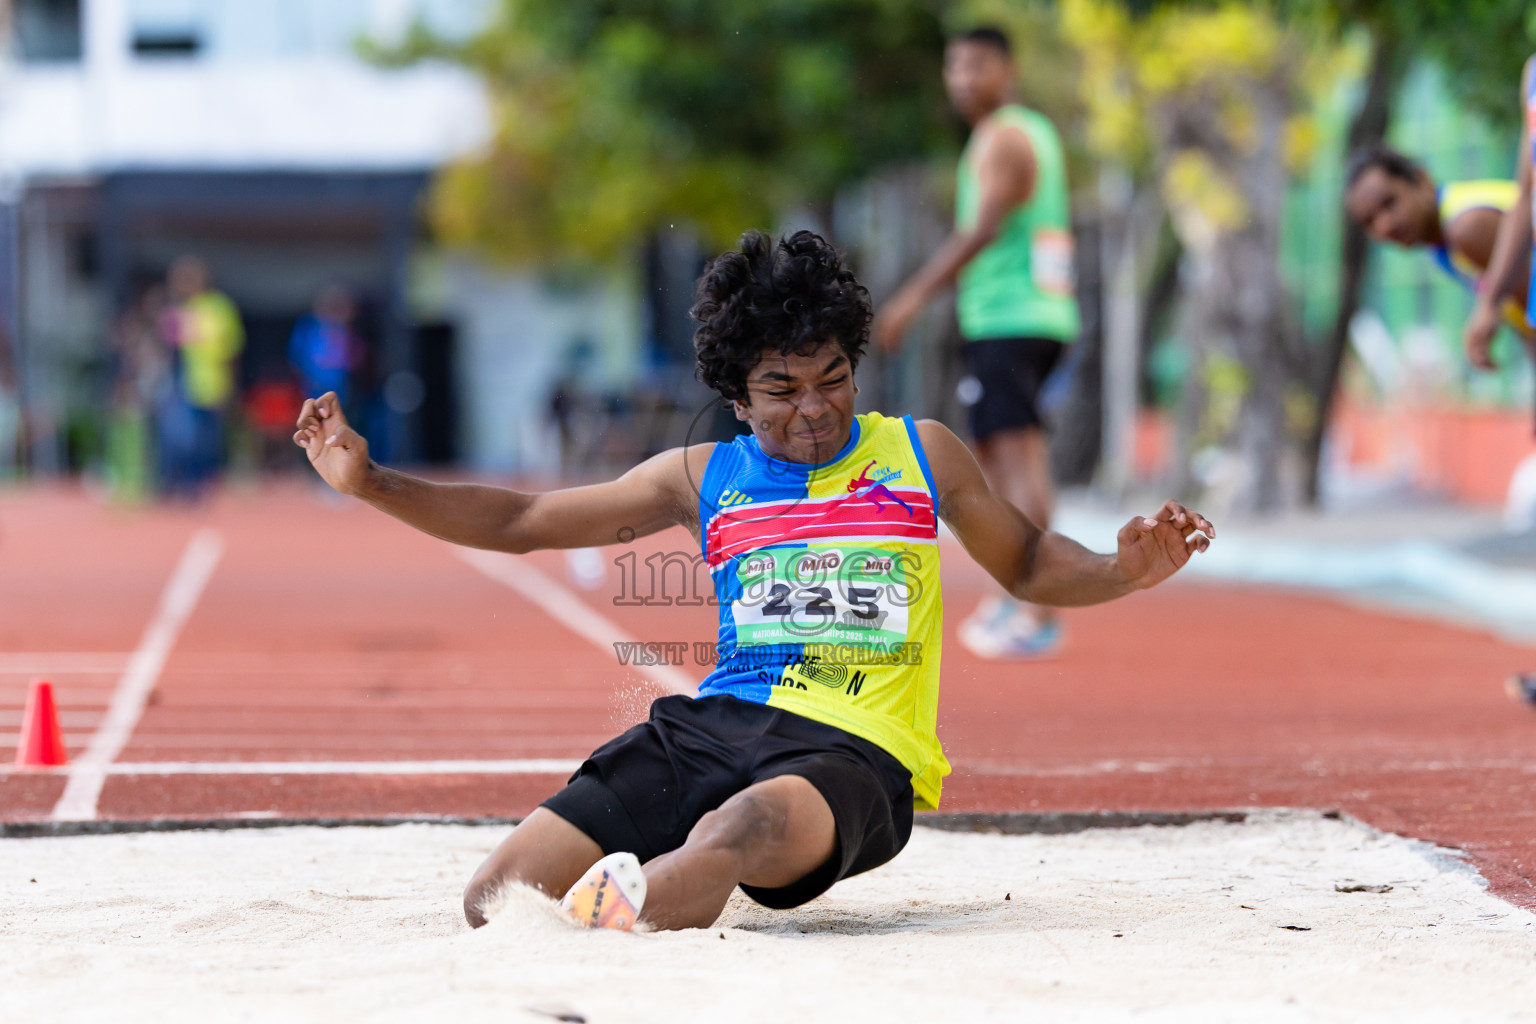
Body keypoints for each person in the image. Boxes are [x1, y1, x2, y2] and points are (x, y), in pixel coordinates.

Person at [293, 230, 1213, 933]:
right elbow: (522, 521)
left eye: (833, 379)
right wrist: (373, 483)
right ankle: (610, 911)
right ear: (738, 398)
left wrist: (1121, 570)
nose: (814, 409)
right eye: (782, 390)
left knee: (731, 837)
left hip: (854, 752)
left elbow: (1027, 561)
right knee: (493, 900)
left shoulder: (922, 453)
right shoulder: (701, 477)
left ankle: (612, 924)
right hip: (712, 726)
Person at [873, 25, 1080, 660]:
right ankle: (1019, 591)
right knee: (995, 457)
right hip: (1021, 318)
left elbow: (980, 231)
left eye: (978, 65)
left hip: (1012, 320)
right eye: (955, 66)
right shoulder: (1020, 133)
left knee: (1018, 459)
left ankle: (1038, 606)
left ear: (1008, 70)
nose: (963, 79)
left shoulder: (1007, 138)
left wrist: (910, 298)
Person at [1344, 145, 1534, 345]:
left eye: (1389, 203)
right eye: (1369, 221)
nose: (1384, 225)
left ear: (1421, 180)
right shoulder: (1442, 248)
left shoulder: (1466, 228)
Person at [161, 256, 244, 498]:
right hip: (184, 383)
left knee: (205, 439)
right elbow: (170, 344)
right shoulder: (181, 309)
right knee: (182, 436)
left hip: (212, 383)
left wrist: (231, 383)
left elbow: (231, 348)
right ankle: (183, 482)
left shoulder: (218, 307)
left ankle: (201, 483)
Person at [289, 284, 363, 406]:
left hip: (341, 392)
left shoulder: (347, 330)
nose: (332, 308)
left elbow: (356, 359)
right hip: (312, 389)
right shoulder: (307, 327)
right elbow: (296, 358)